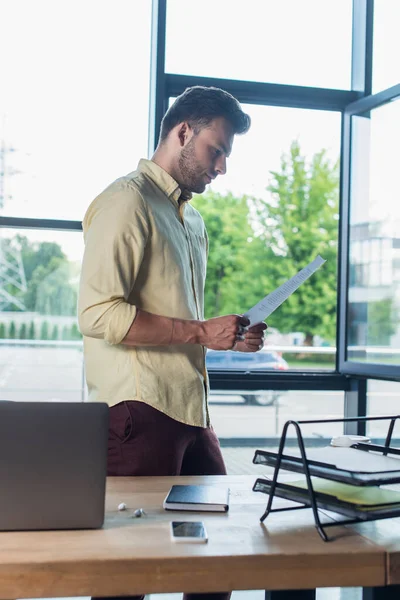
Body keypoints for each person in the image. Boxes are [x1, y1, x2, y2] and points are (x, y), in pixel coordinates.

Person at [78, 86, 267, 600]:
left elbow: (183, 318)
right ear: (183, 131)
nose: (222, 166)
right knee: (126, 576)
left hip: (191, 411)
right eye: (217, 149)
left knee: (215, 564)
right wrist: (203, 332)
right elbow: (97, 313)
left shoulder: (191, 218)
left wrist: (226, 338)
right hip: (138, 413)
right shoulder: (126, 201)